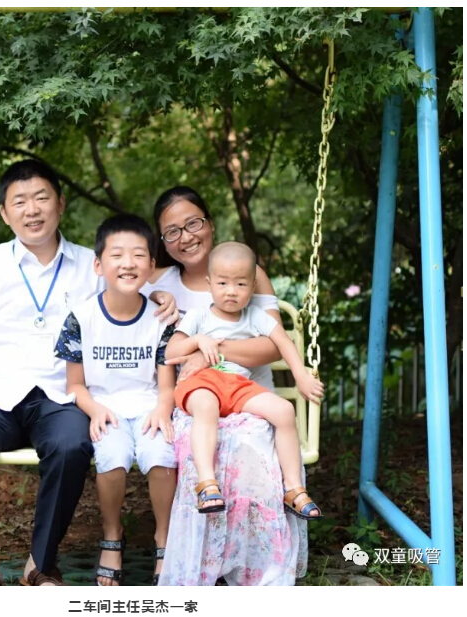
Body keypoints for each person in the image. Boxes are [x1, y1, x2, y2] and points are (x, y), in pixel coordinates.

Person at [0, 160, 177, 586]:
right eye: (19, 201)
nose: (32, 209)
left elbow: (134, 288)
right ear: (4, 213)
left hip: (62, 395)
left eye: (41, 198)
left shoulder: (92, 264)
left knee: (72, 446)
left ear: (61, 204)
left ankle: (41, 563)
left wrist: (160, 295)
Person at [142, 185, 309, 586]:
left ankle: (250, 563)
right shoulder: (159, 281)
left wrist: (212, 350)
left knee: (249, 442)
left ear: (211, 224)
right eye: (172, 231)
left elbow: (271, 345)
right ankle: (204, 560)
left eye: (193, 223)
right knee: (205, 440)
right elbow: (121, 295)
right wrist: (158, 295)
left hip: (247, 392)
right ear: (163, 240)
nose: (185, 237)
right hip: (197, 399)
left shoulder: (250, 272)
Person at [55, 214, 177, 586]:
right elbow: (75, 385)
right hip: (104, 408)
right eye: (117, 255)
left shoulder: (161, 319)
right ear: (98, 265)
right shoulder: (81, 318)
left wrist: (163, 409)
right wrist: (94, 409)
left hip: (149, 406)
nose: (128, 263)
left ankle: (164, 538)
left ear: (152, 266)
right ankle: (112, 535)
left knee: (162, 455)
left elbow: (166, 385)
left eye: (139, 255)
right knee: (112, 456)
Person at [166, 241, 324, 520]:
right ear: (209, 283)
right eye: (223, 283)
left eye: (240, 284)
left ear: (252, 286)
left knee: (284, 411)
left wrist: (301, 376)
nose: (231, 291)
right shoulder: (199, 316)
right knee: (207, 406)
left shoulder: (256, 317)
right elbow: (171, 353)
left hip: (237, 386)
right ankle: (207, 483)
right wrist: (198, 340)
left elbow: (284, 343)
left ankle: (293, 488)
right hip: (201, 383)